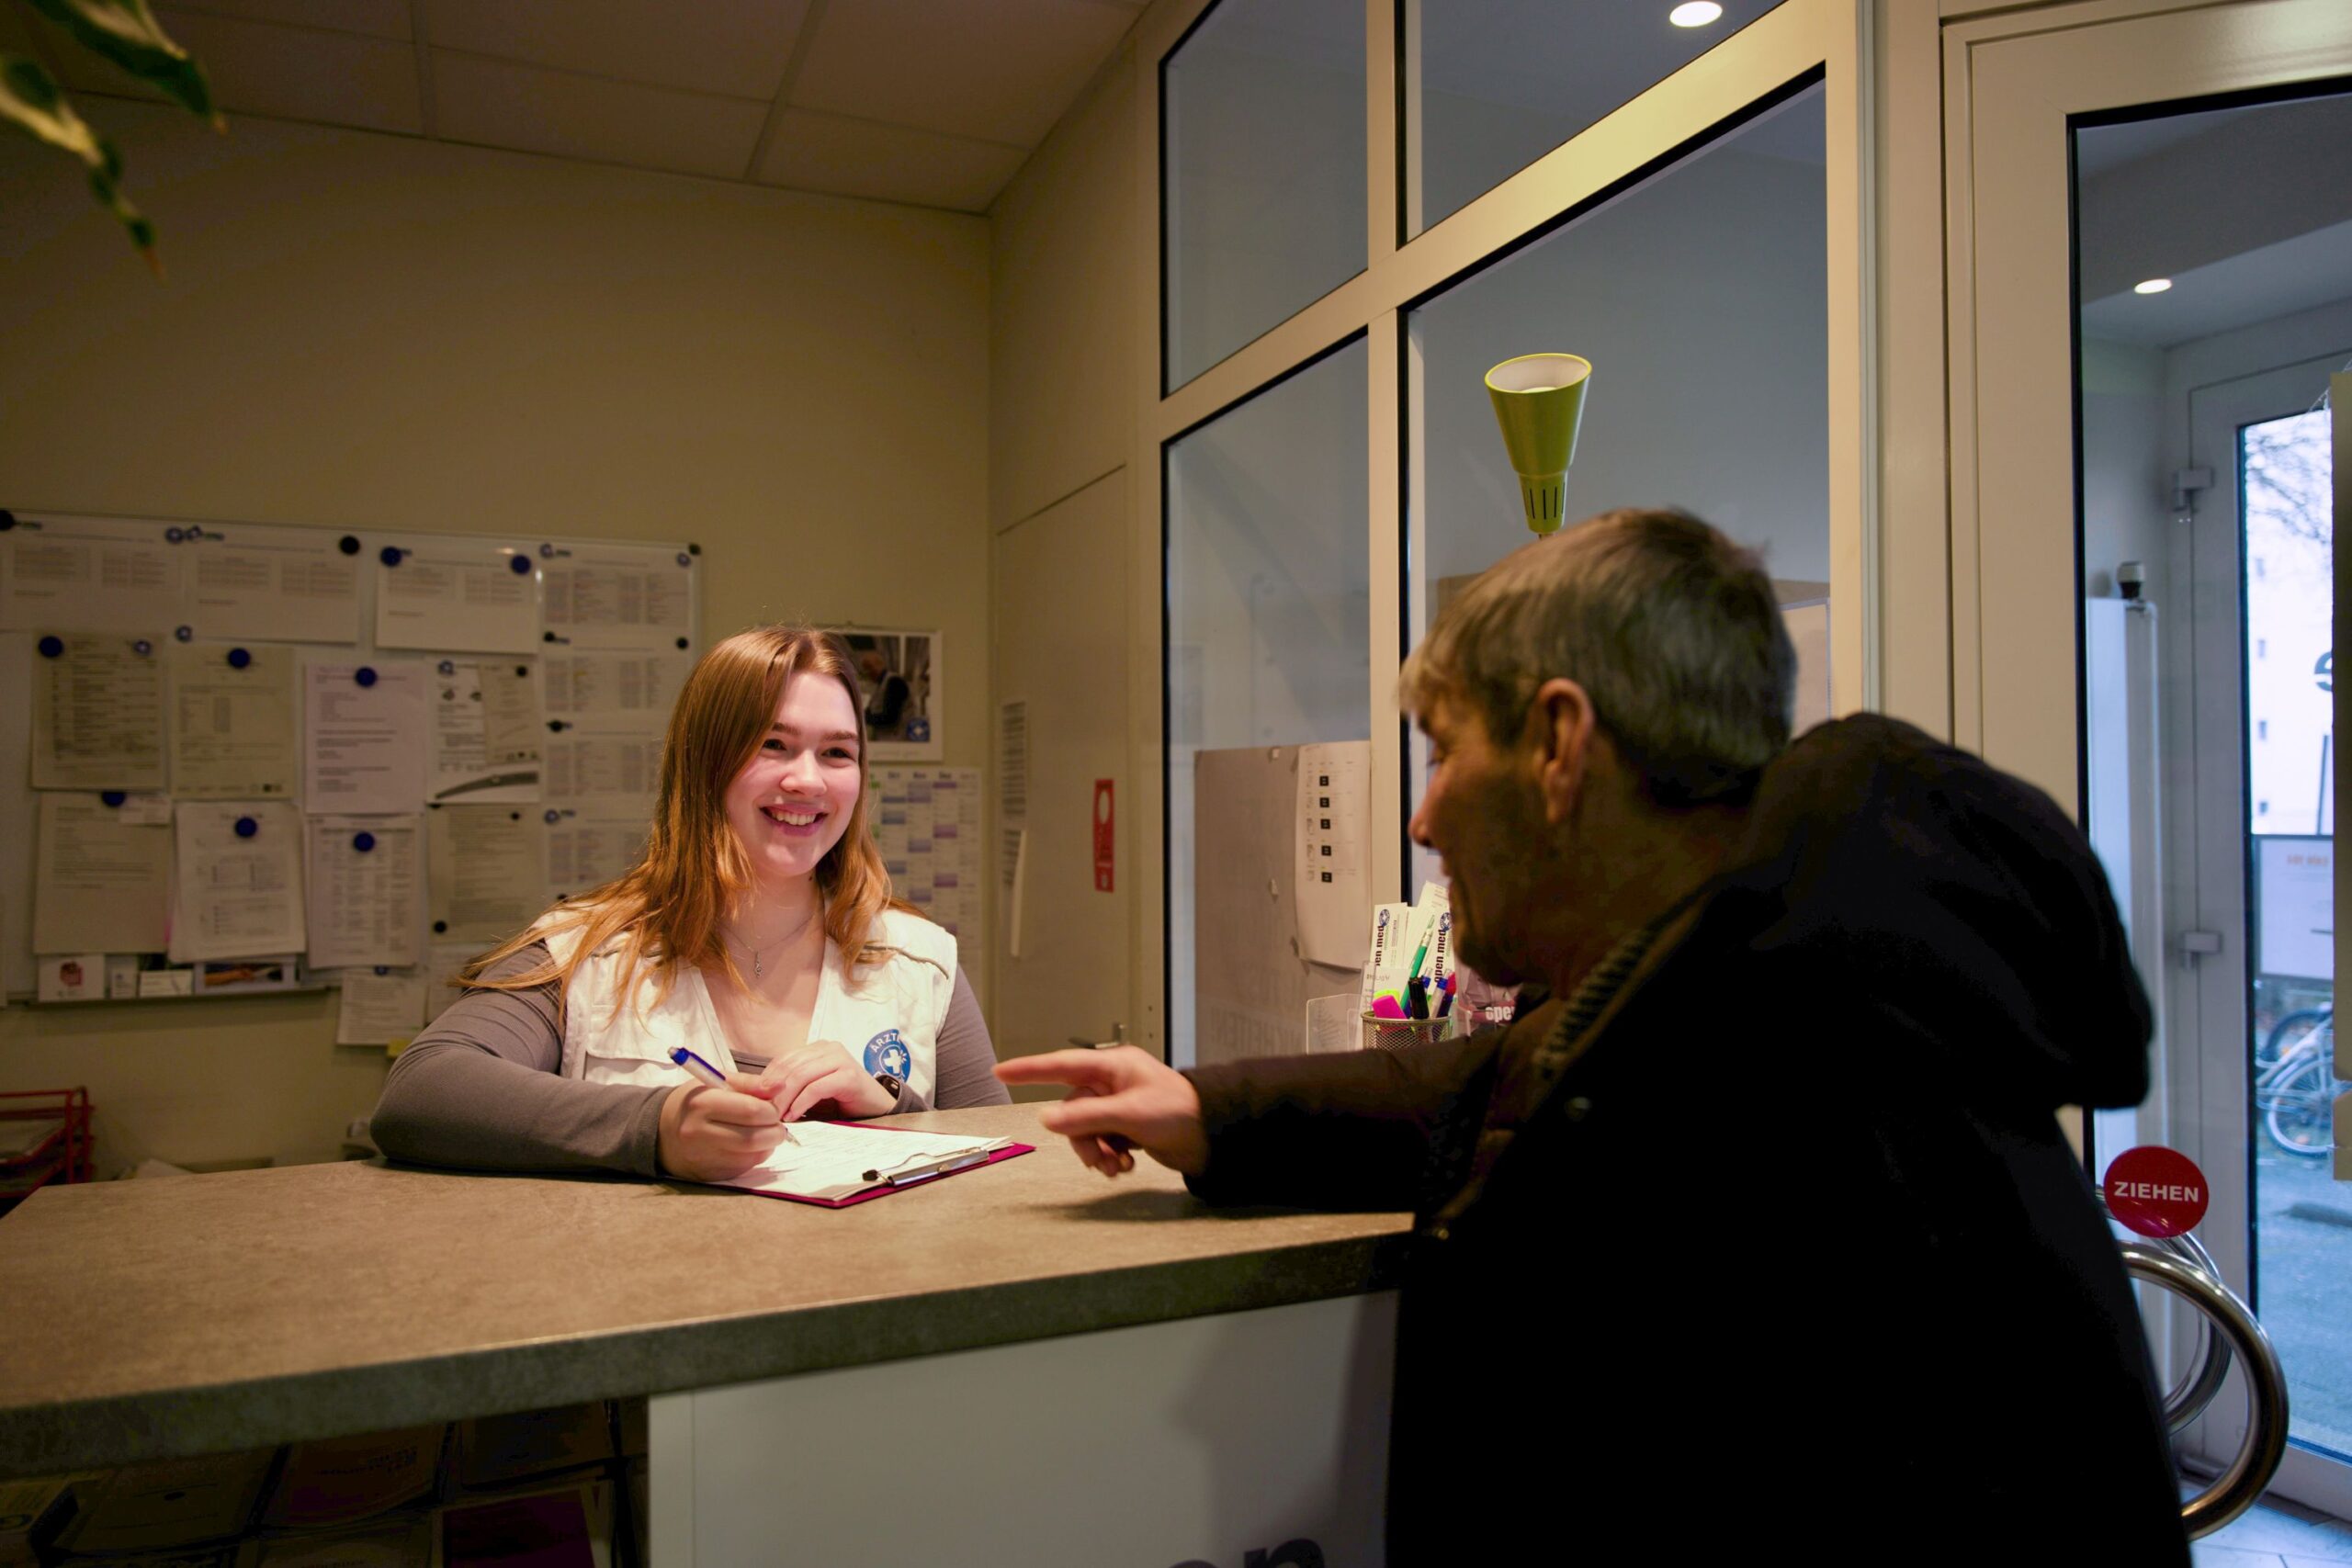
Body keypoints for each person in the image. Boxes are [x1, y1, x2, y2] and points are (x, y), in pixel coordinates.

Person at [1000, 509, 2188, 1562]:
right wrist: (1213, 1110)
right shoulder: (1728, 988)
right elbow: (1484, 1077)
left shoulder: (1791, 1101)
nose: (1423, 814)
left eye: (1442, 747)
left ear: (1559, 747)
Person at [372, 626, 1006, 1183]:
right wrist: (659, 1126)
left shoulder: (919, 962)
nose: (807, 779)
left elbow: (997, 1165)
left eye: (837, 752)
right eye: (772, 744)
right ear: (704, 766)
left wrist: (890, 1110)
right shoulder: (586, 950)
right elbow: (423, 1091)